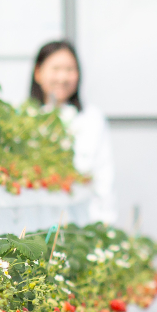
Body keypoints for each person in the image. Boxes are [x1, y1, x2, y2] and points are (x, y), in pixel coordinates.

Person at [29, 40, 116, 224]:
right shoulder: (24, 119)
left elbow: (104, 178)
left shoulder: (91, 119)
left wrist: (106, 224)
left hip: (81, 224)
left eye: (69, 70)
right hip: (33, 225)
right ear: (38, 73)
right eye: (56, 69)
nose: (63, 77)